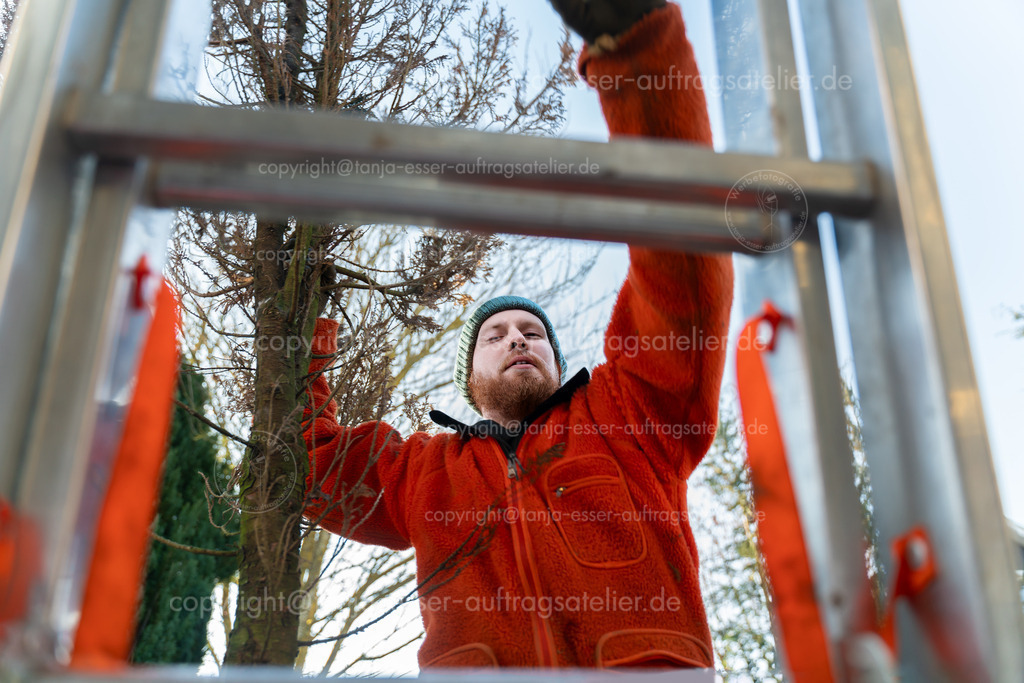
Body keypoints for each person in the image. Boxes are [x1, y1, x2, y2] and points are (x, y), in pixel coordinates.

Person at [302, 0, 734, 669]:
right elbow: (309, 467)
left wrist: (641, 47)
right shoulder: (423, 474)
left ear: (561, 364)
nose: (517, 339)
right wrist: (307, 327)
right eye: (495, 333)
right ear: (468, 379)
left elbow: (681, 268)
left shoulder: (633, 415)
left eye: (532, 331)